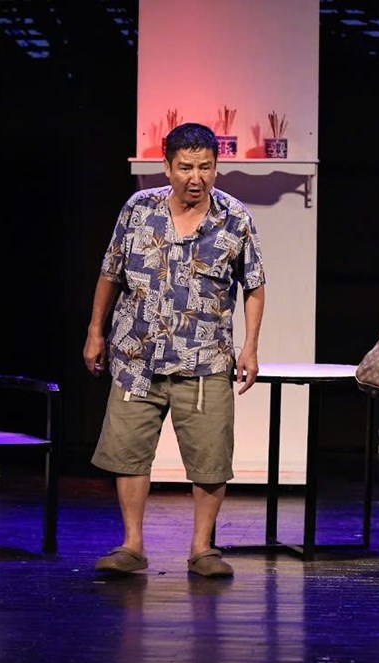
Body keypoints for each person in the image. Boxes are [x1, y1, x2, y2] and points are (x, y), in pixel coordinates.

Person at [83, 122, 266, 578]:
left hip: (205, 359)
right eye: (185, 167)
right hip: (136, 356)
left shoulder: (235, 218)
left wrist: (250, 346)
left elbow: (254, 285)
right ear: (167, 167)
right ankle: (132, 545)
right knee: (128, 452)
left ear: (216, 167)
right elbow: (111, 272)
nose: (196, 177)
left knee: (210, 458)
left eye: (205, 167)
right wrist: (95, 331)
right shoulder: (138, 209)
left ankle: (203, 548)